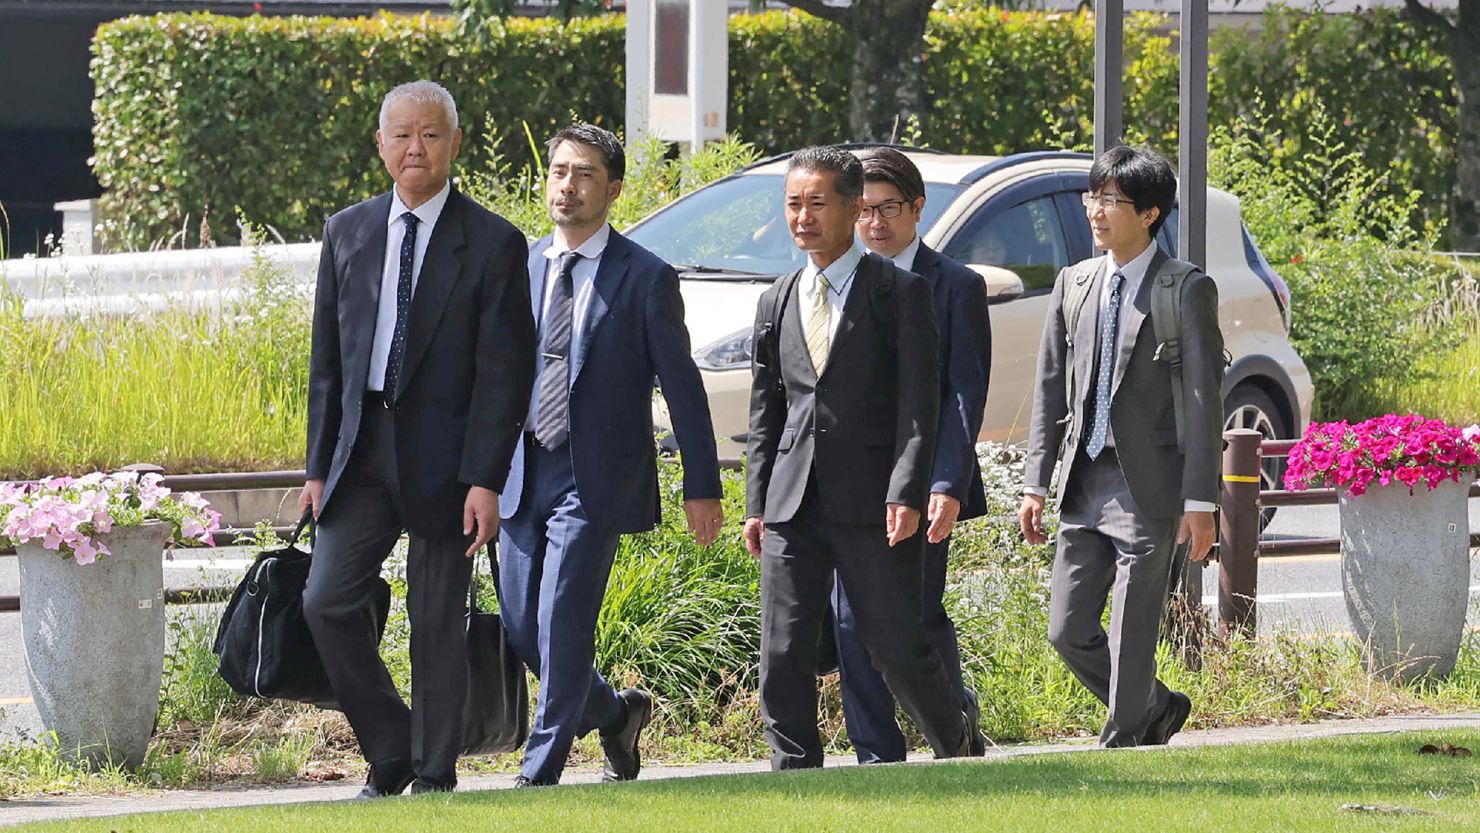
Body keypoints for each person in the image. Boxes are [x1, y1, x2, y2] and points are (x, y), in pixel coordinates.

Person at [298, 80, 536, 797]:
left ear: (454, 144)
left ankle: (433, 774)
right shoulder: (349, 230)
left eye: (430, 134)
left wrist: (486, 479)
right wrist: (316, 465)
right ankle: (392, 745)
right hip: (361, 450)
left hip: (451, 461)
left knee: (436, 622)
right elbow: (326, 361)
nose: (414, 148)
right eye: (401, 134)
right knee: (326, 600)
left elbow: (505, 375)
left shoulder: (494, 242)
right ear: (380, 145)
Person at [497, 123, 724, 788]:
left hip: (592, 479)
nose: (567, 185)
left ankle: (538, 772)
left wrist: (700, 484)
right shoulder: (524, 267)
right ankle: (616, 712)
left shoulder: (646, 278)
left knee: (563, 620)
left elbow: (683, 387)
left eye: (585, 173)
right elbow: (494, 379)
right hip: (520, 471)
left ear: (613, 188)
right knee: (523, 631)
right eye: (559, 170)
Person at [743, 145, 983, 770]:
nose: (803, 217)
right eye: (794, 203)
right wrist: (757, 502)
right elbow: (768, 407)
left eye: (817, 202)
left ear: (851, 209)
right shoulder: (777, 298)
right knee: (784, 643)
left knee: (893, 642)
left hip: (875, 499)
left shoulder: (901, 292)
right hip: (793, 500)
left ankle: (953, 742)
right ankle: (794, 769)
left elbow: (918, 403)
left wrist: (907, 490)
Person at [1017, 145, 1224, 748]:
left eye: (1111, 201)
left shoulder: (1184, 289)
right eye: (1094, 197)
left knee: (1131, 633)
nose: (1096, 212)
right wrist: (1035, 481)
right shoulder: (1073, 283)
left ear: (1151, 213)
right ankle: (1155, 707)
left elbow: (1203, 401)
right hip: (1084, 478)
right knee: (1067, 628)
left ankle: (1122, 742)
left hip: (1150, 486)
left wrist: (1200, 501)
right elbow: (1050, 387)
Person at [830, 147, 991, 764]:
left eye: (887, 208)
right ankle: (877, 754)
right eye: (863, 210)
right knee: (851, 622)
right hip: (849, 482)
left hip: (922, 483)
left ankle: (951, 724)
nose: (874, 223)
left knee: (915, 617)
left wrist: (946, 482)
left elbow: (962, 394)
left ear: (917, 208)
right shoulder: (836, 281)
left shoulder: (953, 286)